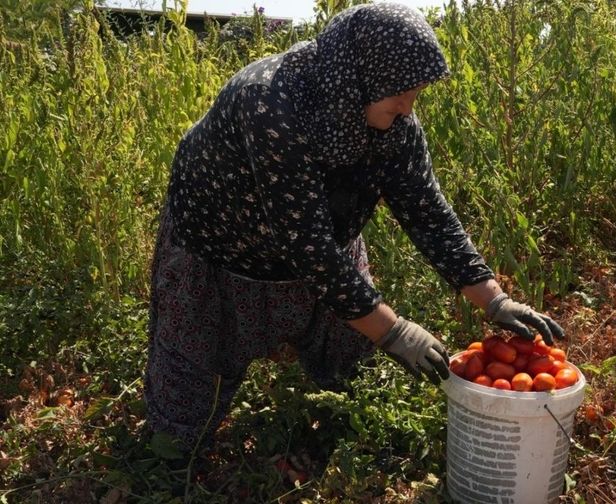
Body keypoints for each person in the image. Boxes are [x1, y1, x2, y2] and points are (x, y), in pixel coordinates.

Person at [144, 2, 564, 451]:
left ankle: (331, 441)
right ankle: (172, 466)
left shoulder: (390, 118)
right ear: (358, 77)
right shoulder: (267, 103)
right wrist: (393, 331)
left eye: (414, 93)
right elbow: (308, 247)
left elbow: (425, 207)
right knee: (189, 394)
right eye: (398, 93)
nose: (407, 107)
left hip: (325, 247)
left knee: (350, 370)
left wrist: (493, 298)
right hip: (224, 249)